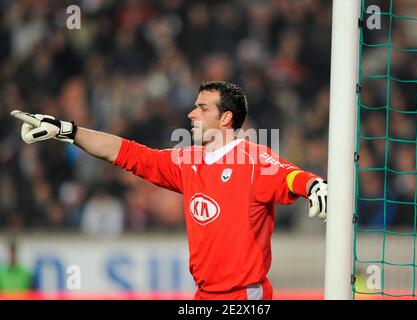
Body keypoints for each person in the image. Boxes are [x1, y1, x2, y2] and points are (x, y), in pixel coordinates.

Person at [10, 81, 327, 300]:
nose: (192, 114)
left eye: (202, 108)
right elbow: (127, 153)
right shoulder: (186, 161)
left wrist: (313, 185)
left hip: (244, 297)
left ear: (226, 118)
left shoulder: (254, 158)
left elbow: (291, 177)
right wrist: (69, 130)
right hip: (203, 294)